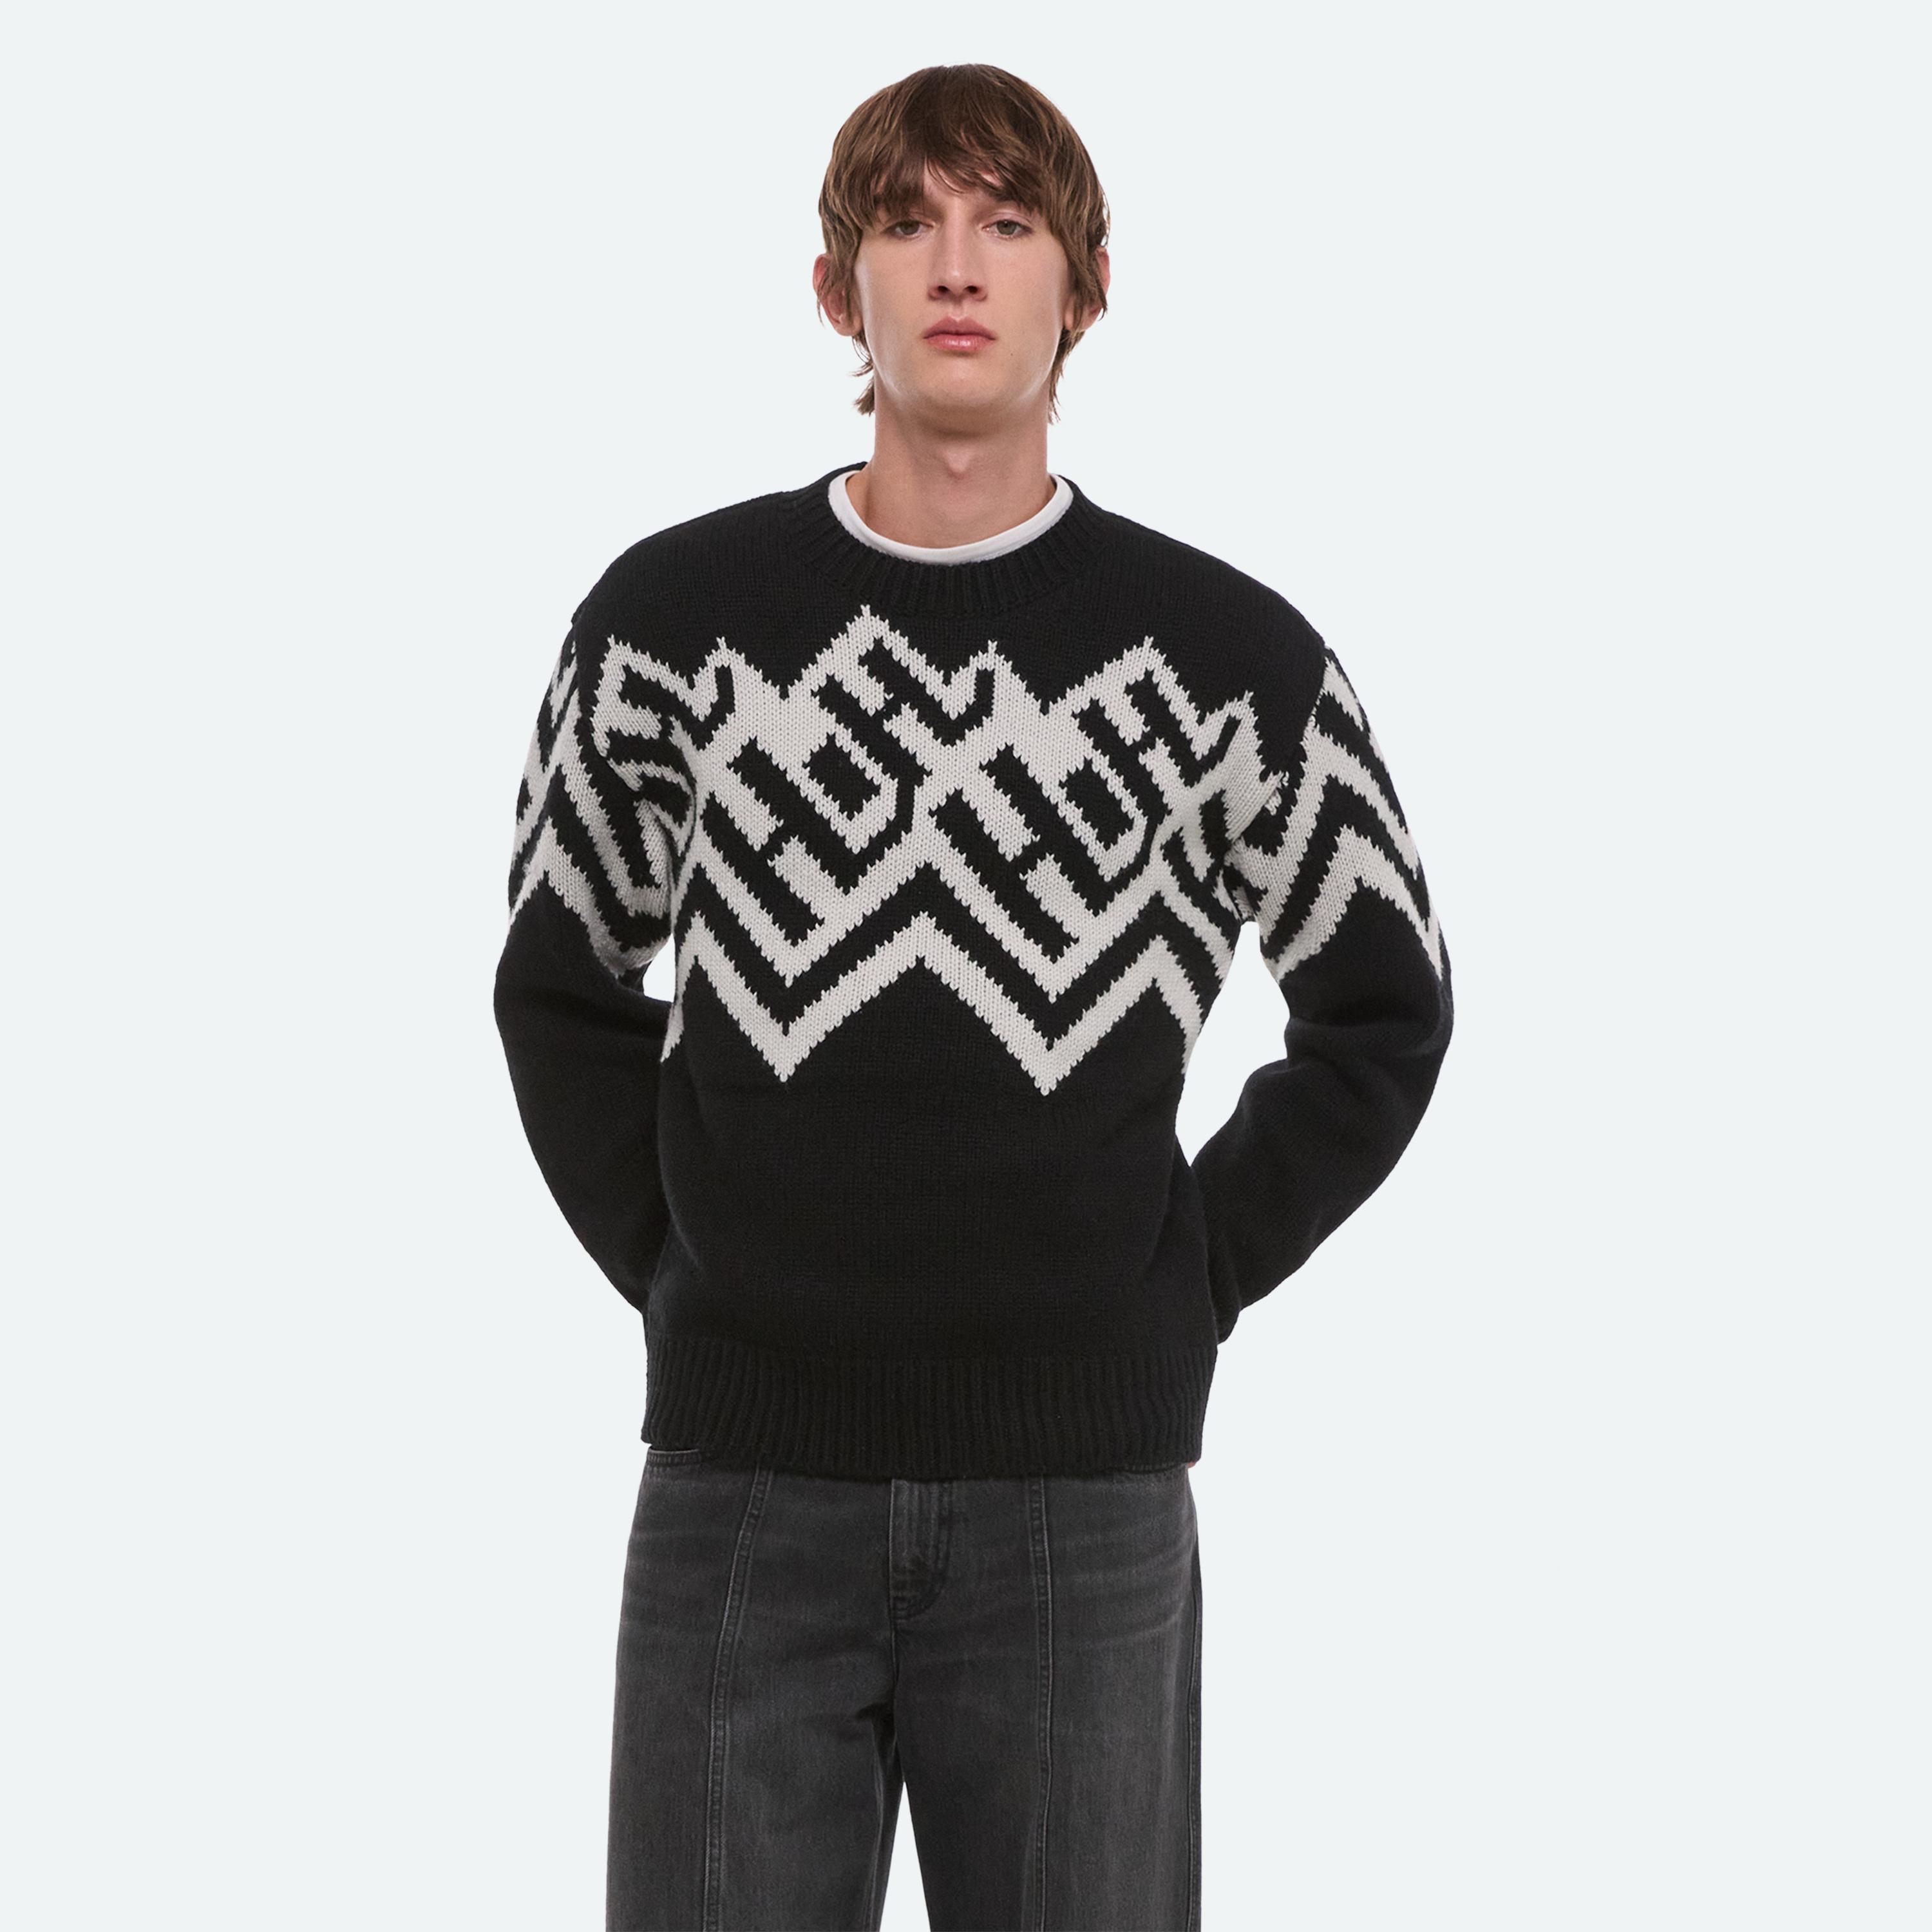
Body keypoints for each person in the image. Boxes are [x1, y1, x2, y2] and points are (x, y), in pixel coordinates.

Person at [493, 61, 1452, 1932]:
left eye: (1007, 223)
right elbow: (559, 980)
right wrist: (692, 1272)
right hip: (744, 1492)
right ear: (834, 285)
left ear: (1081, 290)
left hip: (1082, 1509)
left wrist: (1182, 1272)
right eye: (907, 221)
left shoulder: (1231, 658)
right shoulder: (669, 625)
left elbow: (1383, 1012)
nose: (955, 265)